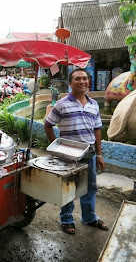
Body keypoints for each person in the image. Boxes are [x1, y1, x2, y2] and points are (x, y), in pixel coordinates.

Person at [44, 68, 108, 235]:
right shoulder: (62, 104)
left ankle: (89, 218)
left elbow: (98, 130)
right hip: (69, 156)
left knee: (90, 187)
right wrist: (55, 146)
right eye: (78, 78)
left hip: (89, 154)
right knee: (68, 188)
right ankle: (66, 219)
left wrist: (99, 155)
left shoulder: (94, 105)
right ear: (71, 83)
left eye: (85, 78)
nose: (82, 81)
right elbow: (48, 124)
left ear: (88, 82)